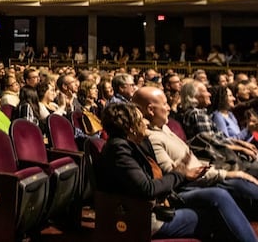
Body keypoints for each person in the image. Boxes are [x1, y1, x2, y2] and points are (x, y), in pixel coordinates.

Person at [99, 102, 256, 242]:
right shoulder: (119, 149)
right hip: (145, 217)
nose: (146, 123)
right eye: (141, 120)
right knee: (215, 216)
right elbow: (148, 189)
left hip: (159, 202)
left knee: (218, 197)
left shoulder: (132, 143)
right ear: (131, 127)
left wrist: (184, 174)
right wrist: (180, 173)